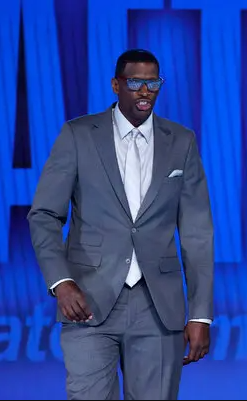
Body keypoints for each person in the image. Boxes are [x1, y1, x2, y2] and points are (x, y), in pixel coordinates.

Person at [27, 49, 214, 400]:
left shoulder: (182, 141)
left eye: (152, 83)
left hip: (158, 308)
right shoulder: (78, 135)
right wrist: (61, 282)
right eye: (135, 82)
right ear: (116, 85)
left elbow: (197, 232)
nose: (145, 91)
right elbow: (44, 215)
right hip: (87, 300)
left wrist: (201, 314)